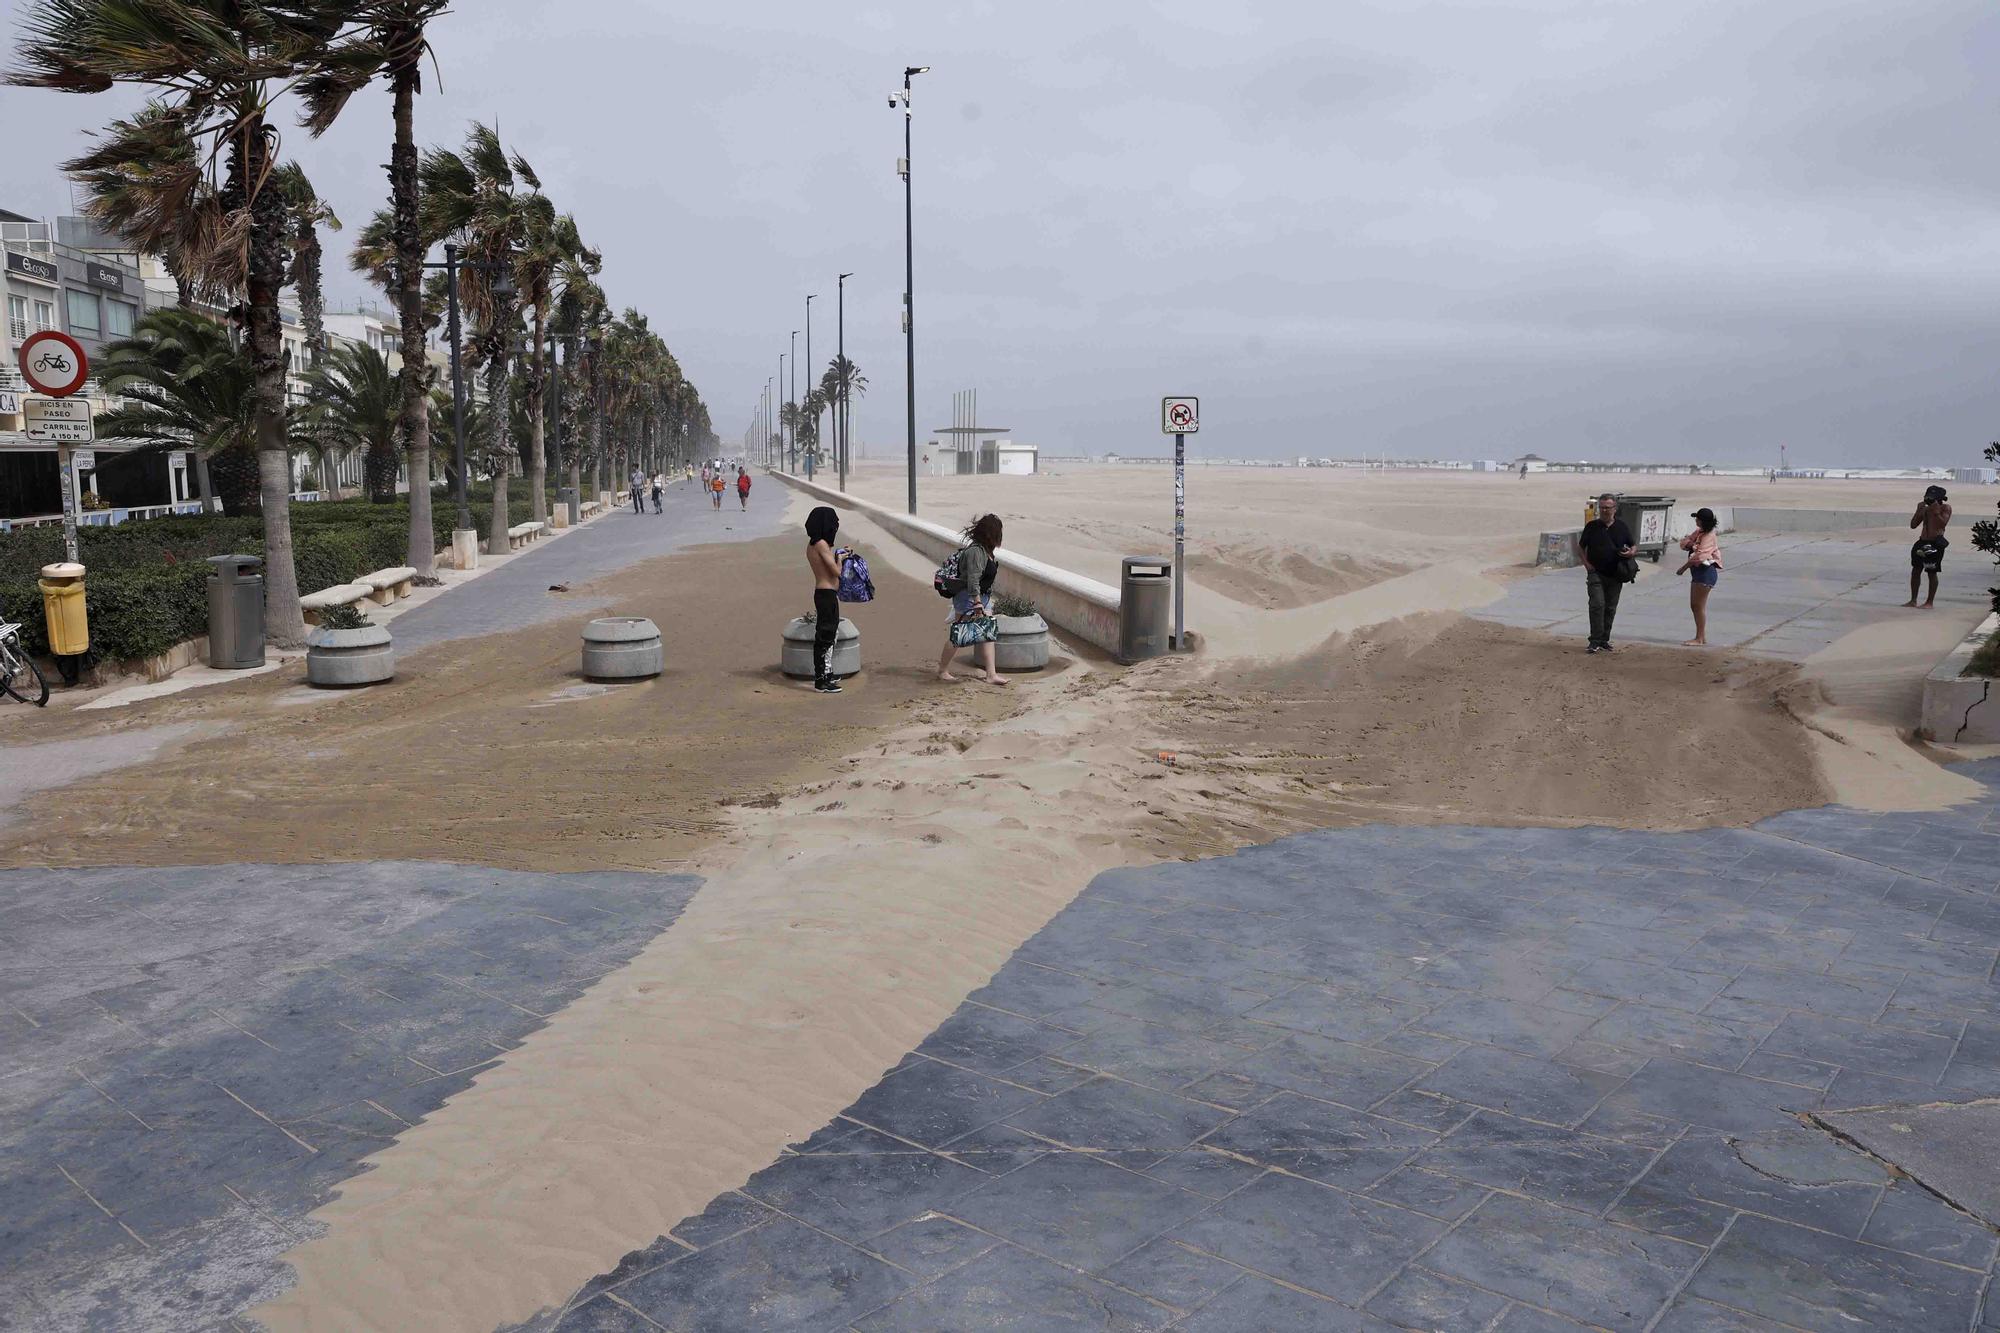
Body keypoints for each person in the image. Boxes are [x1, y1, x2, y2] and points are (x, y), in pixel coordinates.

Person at [937, 513, 1010, 686]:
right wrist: (976, 602)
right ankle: (942, 670)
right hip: (969, 598)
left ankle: (991, 675)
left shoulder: (985, 550)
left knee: (988, 635)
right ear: (991, 534)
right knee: (958, 637)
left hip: (982, 598)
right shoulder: (976, 552)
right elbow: (973, 579)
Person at [1578, 493, 1636, 654]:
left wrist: (1631, 553)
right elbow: (1580, 547)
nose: (1604, 511)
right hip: (1595, 573)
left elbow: (1633, 545)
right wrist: (1587, 565)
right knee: (1597, 605)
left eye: (1608, 508)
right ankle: (1594, 640)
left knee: (1610, 608)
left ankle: (1604, 640)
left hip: (1616, 574)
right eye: (1602, 507)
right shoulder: (1591, 526)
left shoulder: (1622, 526)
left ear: (1614, 509)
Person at [805, 505, 844, 694]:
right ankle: (821, 680)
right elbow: (836, 571)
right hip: (826, 594)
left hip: (826, 594)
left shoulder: (815, 544)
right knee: (825, 636)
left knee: (830, 634)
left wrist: (836, 554)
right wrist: (841, 559)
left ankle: (827, 673)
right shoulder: (820, 544)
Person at [1674, 507, 1723, 646]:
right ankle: (1701, 636)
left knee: (1698, 605)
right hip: (1699, 573)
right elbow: (1684, 543)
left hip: (1705, 573)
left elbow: (1700, 557)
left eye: (1698, 518)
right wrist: (1691, 544)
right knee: (1695, 605)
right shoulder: (1699, 532)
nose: (1695, 520)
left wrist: (1683, 568)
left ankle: (1699, 637)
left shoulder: (1709, 536)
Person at [1906, 485, 1953, 609]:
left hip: (1935, 543)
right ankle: (1913, 600)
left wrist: (1935, 510)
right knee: (1916, 570)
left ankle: (1929, 602)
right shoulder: (1925, 509)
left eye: (1931, 498)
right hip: (1922, 542)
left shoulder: (1945, 508)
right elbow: (1913, 525)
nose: (1928, 500)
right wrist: (1919, 510)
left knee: (1931, 572)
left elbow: (1942, 524)